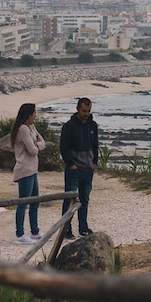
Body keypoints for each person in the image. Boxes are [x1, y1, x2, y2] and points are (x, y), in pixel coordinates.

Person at [59, 97, 98, 237]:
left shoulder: (93, 125)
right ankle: (66, 229)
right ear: (77, 109)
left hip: (88, 169)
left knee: (84, 200)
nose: (86, 114)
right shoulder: (69, 126)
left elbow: (95, 145)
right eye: (83, 111)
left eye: (88, 111)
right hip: (74, 170)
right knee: (69, 199)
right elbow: (63, 148)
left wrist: (95, 162)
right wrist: (71, 165)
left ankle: (83, 227)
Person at [10, 102, 45, 244]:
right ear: (29, 114)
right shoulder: (23, 129)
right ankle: (19, 234)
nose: (36, 115)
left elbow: (43, 142)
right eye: (34, 113)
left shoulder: (31, 126)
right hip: (25, 170)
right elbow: (32, 150)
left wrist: (37, 143)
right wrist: (37, 144)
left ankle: (35, 231)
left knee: (35, 201)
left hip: (33, 169)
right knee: (23, 203)